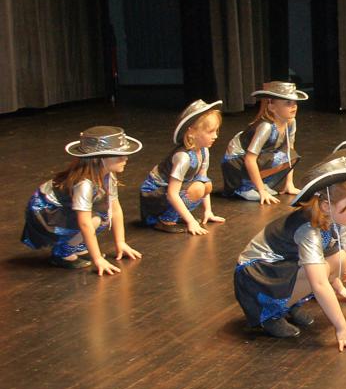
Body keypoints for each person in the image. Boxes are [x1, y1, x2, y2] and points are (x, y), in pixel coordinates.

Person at [233, 150, 346, 343]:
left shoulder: (338, 218)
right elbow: (319, 284)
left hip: (282, 268)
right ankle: (270, 314)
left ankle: (289, 304)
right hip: (256, 276)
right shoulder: (307, 229)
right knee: (321, 270)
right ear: (326, 206)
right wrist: (342, 330)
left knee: (341, 259)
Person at [22, 126, 143, 275]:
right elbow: (84, 223)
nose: (125, 159)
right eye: (119, 155)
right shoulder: (84, 184)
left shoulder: (108, 175)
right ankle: (63, 252)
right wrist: (97, 259)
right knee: (95, 220)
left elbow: (115, 209)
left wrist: (121, 242)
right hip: (46, 210)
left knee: (105, 215)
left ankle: (77, 246)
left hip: (63, 207)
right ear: (100, 159)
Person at [140, 99, 225, 234]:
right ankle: (165, 220)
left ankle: (177, 215)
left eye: (216, 131)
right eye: (210, 132)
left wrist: (208, 211)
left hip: (170, 192)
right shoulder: (183, 157)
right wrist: (191, 221)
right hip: (154, 195)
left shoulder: (204, 151)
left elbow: (203, 179)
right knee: (197, 188)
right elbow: (172, 194)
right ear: (191, 132)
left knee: (206, 185)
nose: (215, 136)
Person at [221, 81, 305, 203]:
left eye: (294, 102)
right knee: (280, 158)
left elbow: (289, 151)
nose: (294, 106)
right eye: (288, 103)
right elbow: (250, 159)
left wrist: (289, 183)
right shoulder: (266, 126)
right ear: (272, 107)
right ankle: (245, 186)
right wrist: (262, 191)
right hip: (236, 163)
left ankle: (258, 183)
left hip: (262, 156)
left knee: (291, 156)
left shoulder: (290, 122)